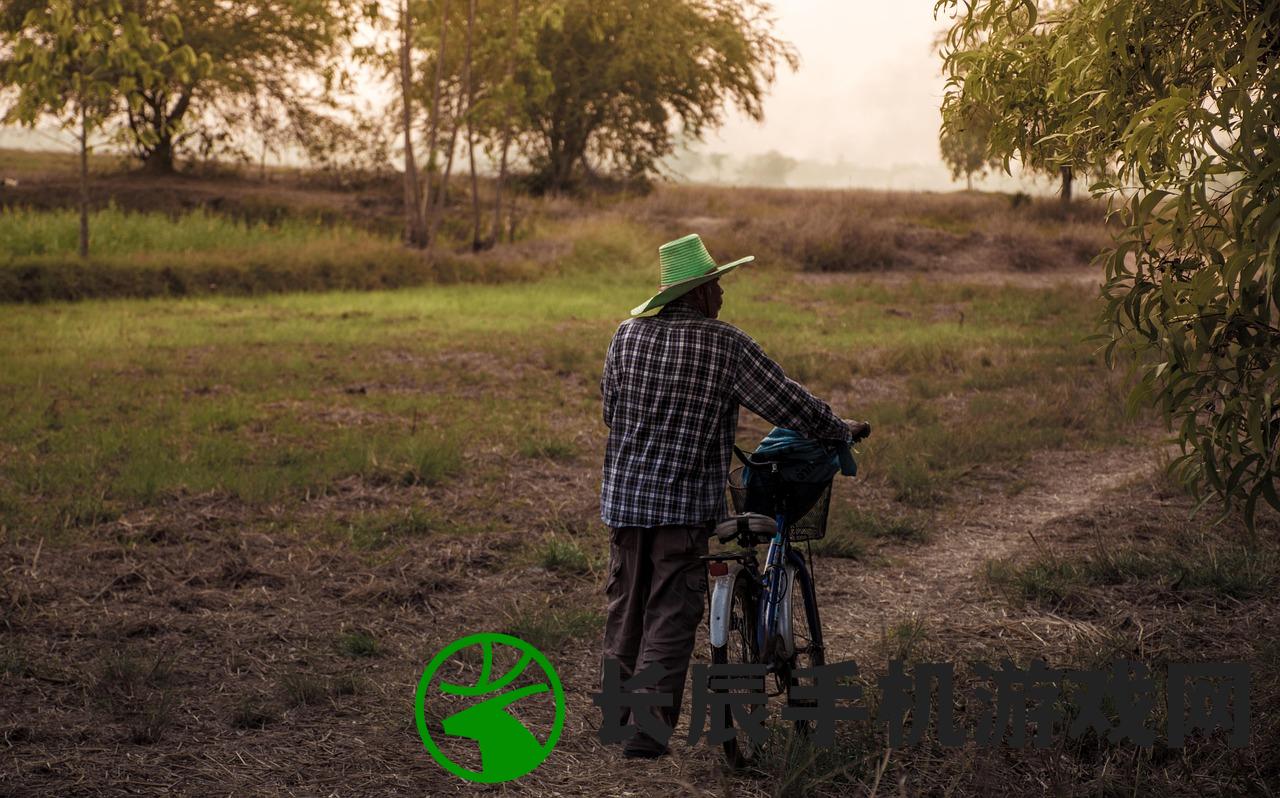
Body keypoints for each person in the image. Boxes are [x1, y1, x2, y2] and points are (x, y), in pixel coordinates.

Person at [598, 233, 870, 758]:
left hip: (625, 501)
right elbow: (786, 401)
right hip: (683, 505)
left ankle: (617, 713)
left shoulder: (625, 336)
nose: (722, 295)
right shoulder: (724, 344)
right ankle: (646, 731)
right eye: (717, 285)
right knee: (671, 610)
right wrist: (836, 428)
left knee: (626, 604)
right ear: (697, 295)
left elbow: (611, 412)